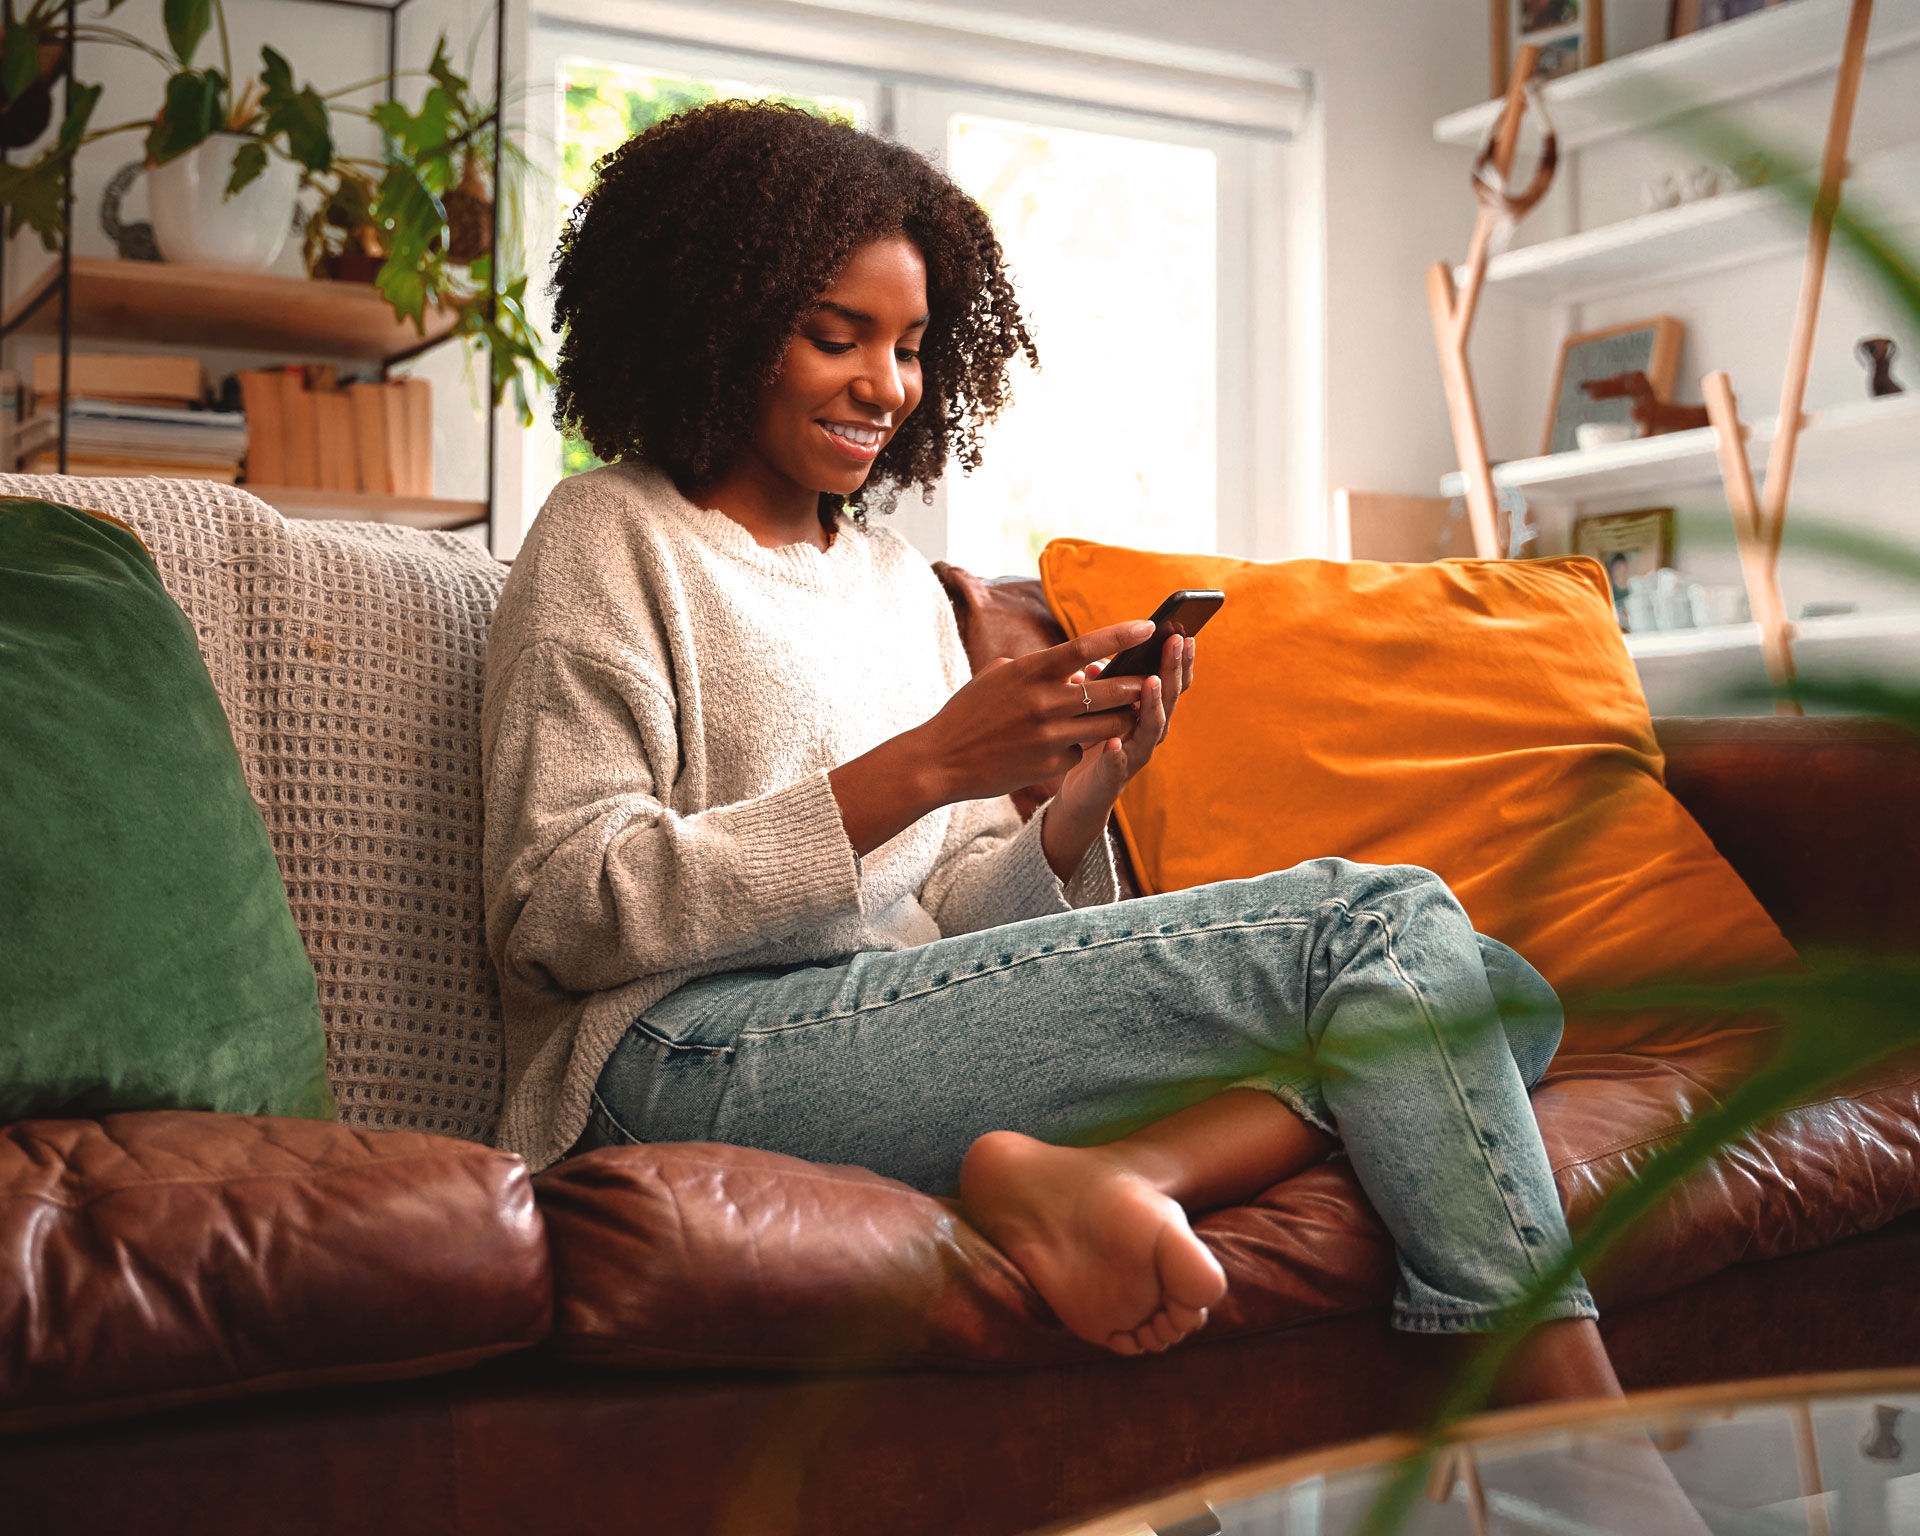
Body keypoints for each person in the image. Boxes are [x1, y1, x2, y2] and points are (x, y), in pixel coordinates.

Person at [480, 100, 1616, 1393]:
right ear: (719, 317)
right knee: (1386, 934)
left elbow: (958, 917)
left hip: (876, 1032)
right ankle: (1577, 1451)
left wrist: (1080, 799)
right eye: (834, 337)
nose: (887, 388)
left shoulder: (897, 585)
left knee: (1493, 984)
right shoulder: (607, 536)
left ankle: (1120, 1176)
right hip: (676, 1057)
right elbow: (557, 906)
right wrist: (921, 765)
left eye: (910, 347)